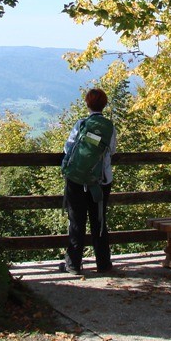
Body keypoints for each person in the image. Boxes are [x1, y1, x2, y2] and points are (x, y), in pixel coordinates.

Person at [60, 88, 117, 275]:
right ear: (104, 104)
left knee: (76, 221)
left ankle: (74, 264)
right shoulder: (110, 127)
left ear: (87, 103)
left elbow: (69, 147)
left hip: (76, 180)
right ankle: (103, 263)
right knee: (98, 221)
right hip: (101, 181)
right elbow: (112, 150)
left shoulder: (81, 124)